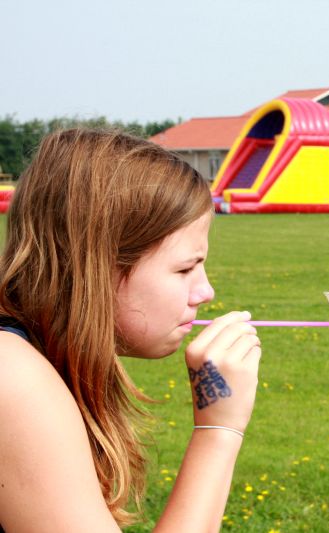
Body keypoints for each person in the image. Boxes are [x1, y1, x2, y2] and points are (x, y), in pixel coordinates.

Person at [0, 129, 262, 531]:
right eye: (185, 269)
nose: (205, 291)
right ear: (95, 266)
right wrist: (219, 429)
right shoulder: (13, 378)